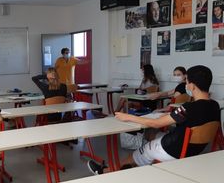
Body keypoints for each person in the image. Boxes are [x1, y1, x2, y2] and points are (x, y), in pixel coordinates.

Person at [88, 65, 220, 174]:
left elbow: (155, 123)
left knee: (143, 149)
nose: (186, 84)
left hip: (175, 149)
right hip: (194, 149)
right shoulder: (215, 106)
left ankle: (107, 170)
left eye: (187, 82)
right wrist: (166, 116)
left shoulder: (188, 108)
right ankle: (136, 165)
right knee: (152, 134)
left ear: (192, 86)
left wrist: (128, 116)